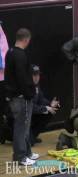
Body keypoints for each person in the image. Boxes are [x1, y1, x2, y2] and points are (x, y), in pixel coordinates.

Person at [4, 28, 39, 165]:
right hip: (21, 97)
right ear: (26, 39)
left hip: (15, 96)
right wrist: (29, 94)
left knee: (25, 125)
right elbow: (22, 77)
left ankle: (27, 152)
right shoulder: (20, 55)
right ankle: (20, 157)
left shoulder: (10, 52)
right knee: (21, 126)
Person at [30, 65, 60, 146]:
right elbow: (29, 107)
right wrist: (45, 108)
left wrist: (50, 104)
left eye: (38, 75)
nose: (37, 77)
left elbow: (41, 99)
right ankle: (9, 134)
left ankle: (32, 136)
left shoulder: (36, 86)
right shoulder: (26, 87)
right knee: (46, 110)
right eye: (34, 75)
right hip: (22, 116)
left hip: (33, 113)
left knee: (49, 112)